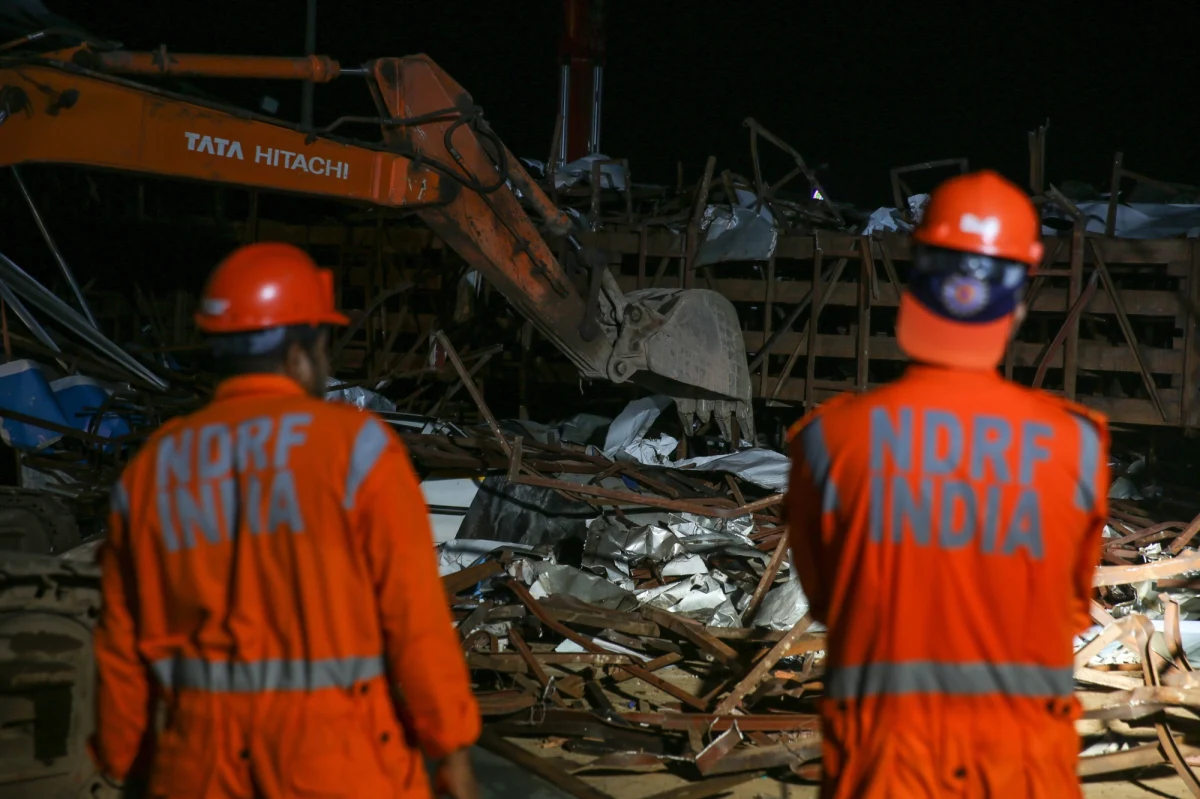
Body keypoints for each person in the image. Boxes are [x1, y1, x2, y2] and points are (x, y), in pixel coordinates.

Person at [91, 242, 481, 798]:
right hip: (333, 763)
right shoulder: (357, 451)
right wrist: (451, 749)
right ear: (300, 354)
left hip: (196, 769)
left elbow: (120, 643)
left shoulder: (153, 467)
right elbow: (414, 620)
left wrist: (122, 754)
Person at [786, 170, 1108, 798]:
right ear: (1017, 295)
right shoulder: (1079, 445)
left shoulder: (828, 441)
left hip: (883, 764)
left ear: (918, 273)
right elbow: (1072, 609)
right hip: (1023, 768)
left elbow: (829, 604)